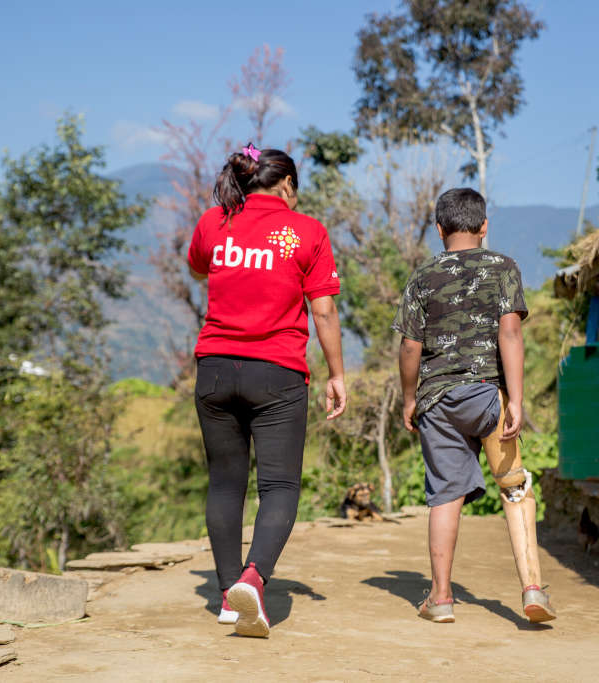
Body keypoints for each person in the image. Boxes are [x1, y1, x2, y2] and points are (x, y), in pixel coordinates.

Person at [187, 143, 347, 638]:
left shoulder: (216, 221)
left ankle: (227, 596)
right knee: (278, 487)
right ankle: (254, 579)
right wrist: (336, 374)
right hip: (276, 375)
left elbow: (198, 268)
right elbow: (322, 310)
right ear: (287, 185)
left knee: (225, 484)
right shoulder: (306, 231)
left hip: (214, 370)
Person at [392, 187, 556, 624]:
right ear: (484, 226)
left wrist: (410, 399)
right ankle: (533, 589)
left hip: (438, 400)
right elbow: (511, 335)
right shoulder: (504, 268)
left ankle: (441, 598)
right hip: (488, 394)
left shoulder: (423, 277)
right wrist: (516, 401)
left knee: (446, 496)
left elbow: (410, 348)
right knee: (515, 485)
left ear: (439, 228)